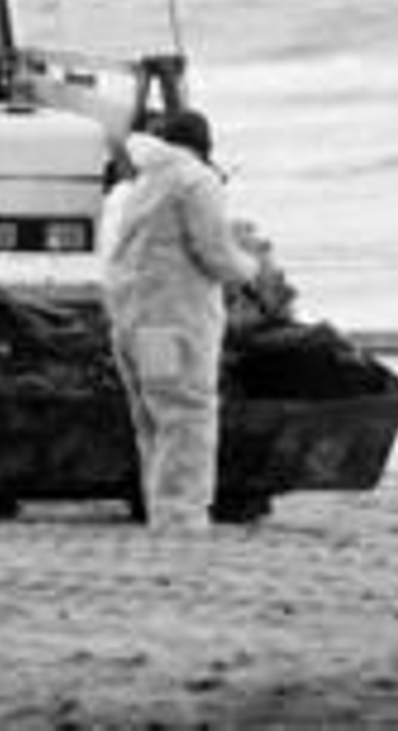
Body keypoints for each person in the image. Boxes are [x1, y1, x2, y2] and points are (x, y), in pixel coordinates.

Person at [103, 110, 258, 533]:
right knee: (186, 415)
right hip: (173, 322)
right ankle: (181, 518)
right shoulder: (195, 180)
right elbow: (216, 255)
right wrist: (251, 266)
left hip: (134, 322)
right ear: (204, 146)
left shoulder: (141, 184)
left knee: (153, 419)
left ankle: (163, 510)